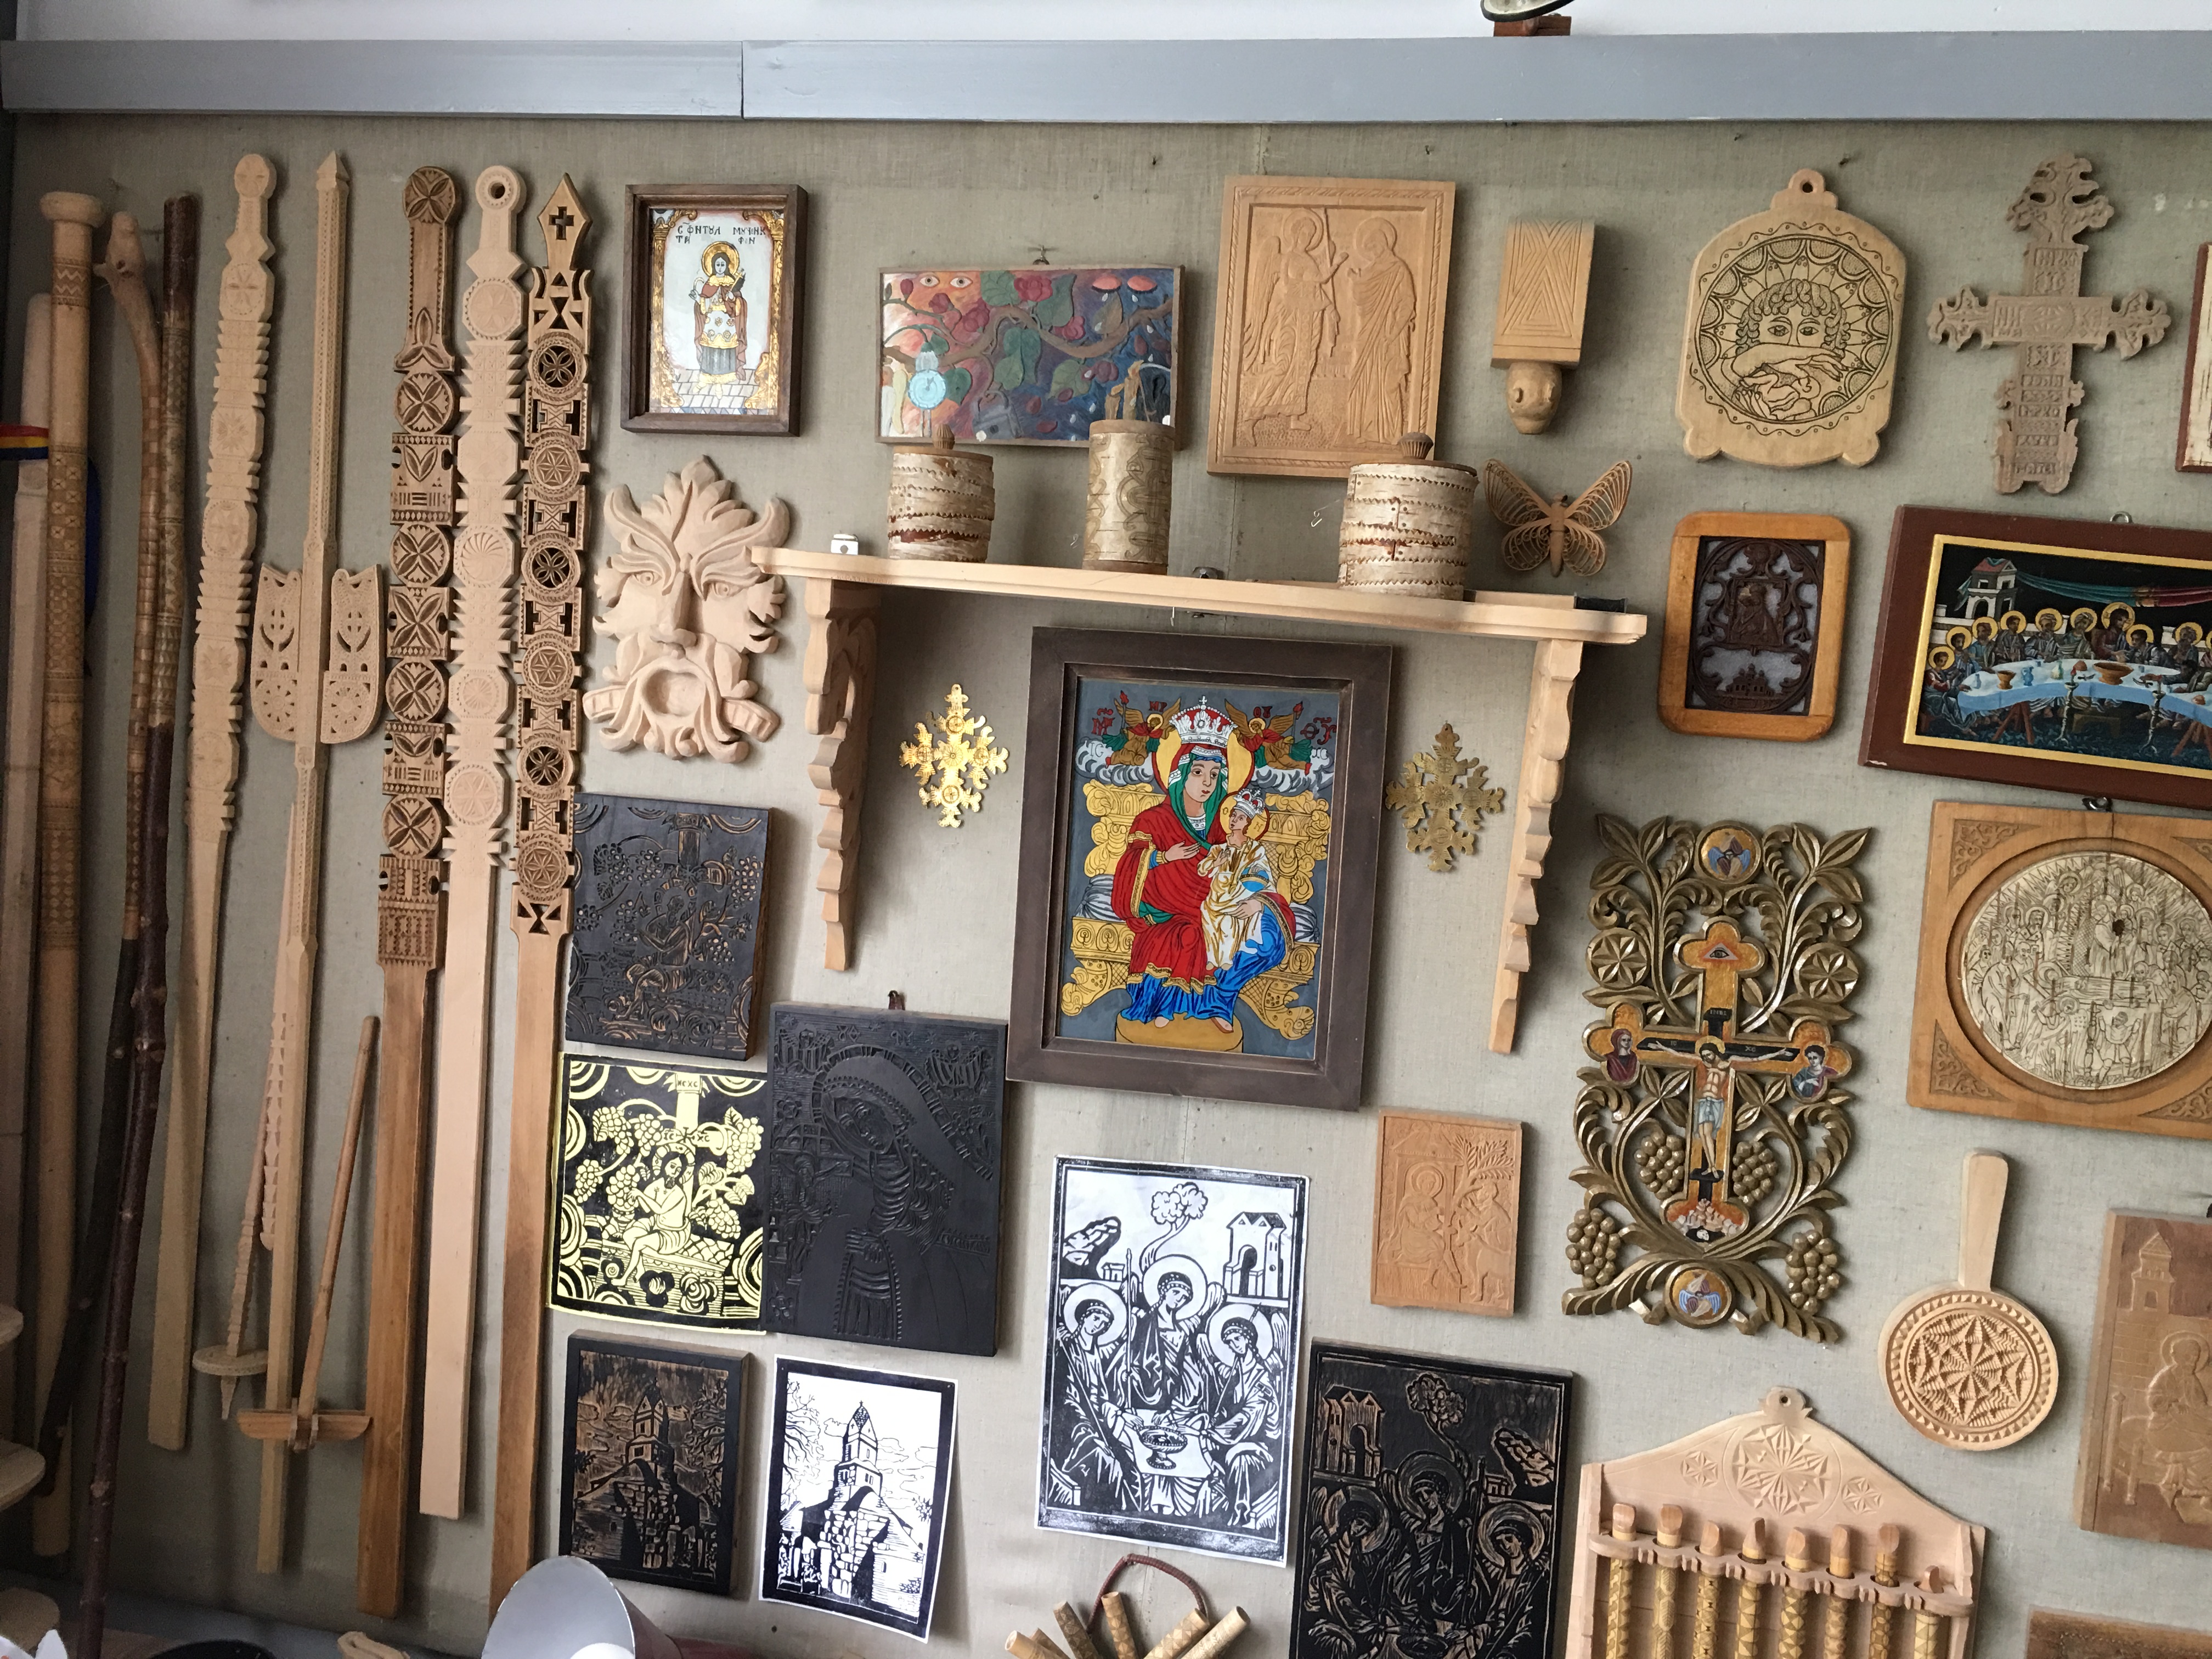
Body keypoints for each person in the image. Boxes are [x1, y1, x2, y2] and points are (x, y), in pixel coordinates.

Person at [1192, 789, 1291, 1033]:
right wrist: (1215, 863)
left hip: (1243, 898)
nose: (1234, 820)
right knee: (1210, 916)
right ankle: (1213, 979)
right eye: (1232, 815)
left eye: (1240, 817)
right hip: (1216, 900)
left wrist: (1256, 902)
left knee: (1263, 937)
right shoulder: (1219, 848)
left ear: (1248, 823)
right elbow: (1202, 870)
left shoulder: (1255, 850)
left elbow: (1264, 881)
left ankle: (1222, 989)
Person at [1728, 279, 1847, 422]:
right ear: (1755, 332)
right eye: (1779, 330)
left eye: (1808, 331)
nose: (1793, 343)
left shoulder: (1831, 385)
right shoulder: (1748, 374)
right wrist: (1760, 355)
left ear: (1829, 336)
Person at [690, 243, 747, 380]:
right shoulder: (710, 282)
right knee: (711, 346)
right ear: (713, 266)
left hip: (727, 321)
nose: (720, 267)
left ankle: (727, 376)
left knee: (727, 346)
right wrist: (698, 298)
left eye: (722, 265)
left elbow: (740, 304)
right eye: (718, 265)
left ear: (727, 266)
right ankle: (709, 376)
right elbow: (705, 303)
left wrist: (733, 298)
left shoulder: (731, 282)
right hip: (712, 320)